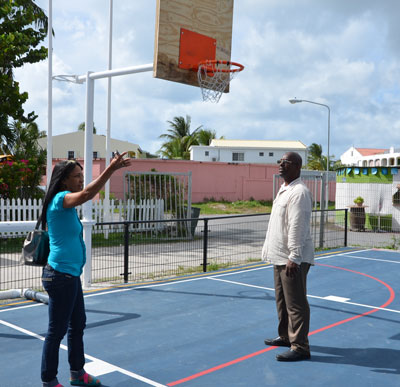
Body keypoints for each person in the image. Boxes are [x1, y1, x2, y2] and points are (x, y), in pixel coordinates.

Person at [40, 152, 131, 387]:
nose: (81, 179)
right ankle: (49, 381)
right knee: (56, 331)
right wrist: (110, 169)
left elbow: (86, 191)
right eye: (77, 176)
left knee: (77, 324)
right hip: (60, 276)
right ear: (63, 180)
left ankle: (77, 374)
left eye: (82, 175)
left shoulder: (66, 202)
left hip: (70, 276)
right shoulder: (60, 200)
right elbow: (89, 194)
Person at [262, 151, 314, 362]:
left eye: (286, 162)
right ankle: (286, 336)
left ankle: (300, 346)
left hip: (291, 258)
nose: (281, 165)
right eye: (280, 162)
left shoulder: (299, 192)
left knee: (296, 303)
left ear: (298, 167)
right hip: (279, 256)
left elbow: (297, 226)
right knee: (282, 301)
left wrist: (295, 256)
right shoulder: (285, 189)